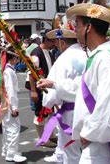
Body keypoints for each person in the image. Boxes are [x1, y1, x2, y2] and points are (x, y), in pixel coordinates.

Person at [66, 3, 110, 163]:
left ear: (89, 28)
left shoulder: (106, 59)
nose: (75, 30)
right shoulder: (100, 56)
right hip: (97, 141)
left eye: (78, 25)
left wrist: (90, 132)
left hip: (100, 145)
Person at [37, 15, 86, 163]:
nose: (57, 47)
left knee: (71, 153)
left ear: (63, 42)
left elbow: (53, 91)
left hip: (70, 112)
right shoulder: (87, 54)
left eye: (58, 44)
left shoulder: (64, 59)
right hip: (89, 110)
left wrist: (48, 102)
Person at [1, 45, 27, 163]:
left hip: (6, 103)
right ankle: (11, 153)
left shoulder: (7, 70)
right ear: (14, 58)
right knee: (14, 127)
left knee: (7, 126)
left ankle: (8, 150)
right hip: (9, 103)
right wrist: (14, 107)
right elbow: (10, 90)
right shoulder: (9, 72)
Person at [29, 30, 55, 145]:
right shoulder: (36, 53)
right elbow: (31, 73)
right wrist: (33, 91)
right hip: (39, 88)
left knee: (51, 112)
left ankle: (50, 134)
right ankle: (43, 139)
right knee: (40, 113)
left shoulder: (49, 52)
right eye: (52, 41)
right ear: (47, 40)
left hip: (48, 88)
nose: (54, 43)